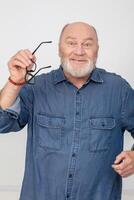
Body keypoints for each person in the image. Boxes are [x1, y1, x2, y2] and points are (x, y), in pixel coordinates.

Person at [0, 21, 134, 200]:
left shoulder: (119, 89)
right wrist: (15, 81)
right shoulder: (36, 88)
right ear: (59, 49)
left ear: (97, 50)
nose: (79, 51)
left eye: (87, 44)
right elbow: (2, 124)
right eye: (71, 43)